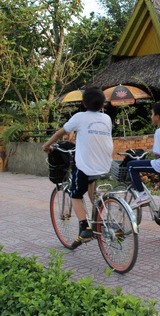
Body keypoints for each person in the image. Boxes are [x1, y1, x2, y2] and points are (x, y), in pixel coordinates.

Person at [43, 87, 113, 249]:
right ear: (103, 105)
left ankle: (84, 227)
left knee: (75, 194)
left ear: (84, 104)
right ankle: (98, 214)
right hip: (104, 164)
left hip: (86, 166)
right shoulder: (107, 119)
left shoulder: (80, 117)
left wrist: (47, 145)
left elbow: (60, 133)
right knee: (90, 185)